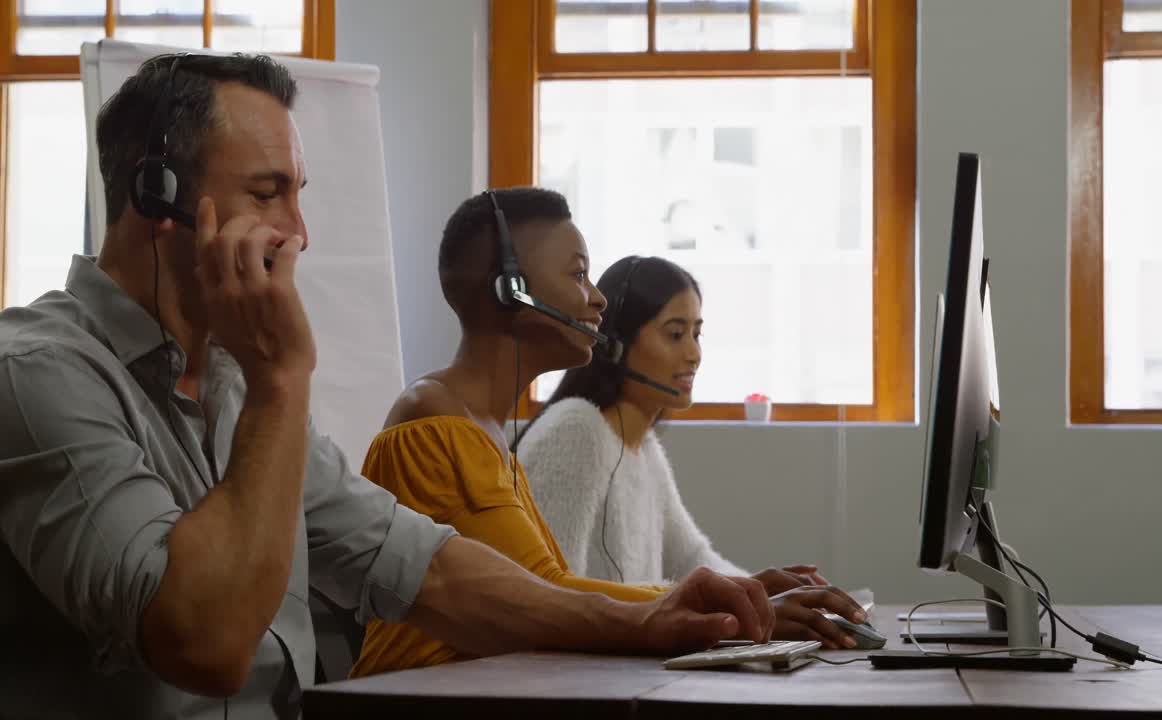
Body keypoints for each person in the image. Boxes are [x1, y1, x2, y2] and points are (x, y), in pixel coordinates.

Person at [0, 54, 772, 720]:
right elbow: (208, 645)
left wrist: (646, 621)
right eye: (267, 194)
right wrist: (280, 382)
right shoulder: (39, 374)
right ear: (156, 197)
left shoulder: (235, 384)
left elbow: (430, 569)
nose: (300, 233)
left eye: (298, 194)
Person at [350, 191, 866, 678]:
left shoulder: (483, 432)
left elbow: (548, 594)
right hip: (420, 705)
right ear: (510, 288)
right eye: (578, 275)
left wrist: (739, 594)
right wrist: (721, 604)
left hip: (479, 695)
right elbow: (544, 596)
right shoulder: (433, 419)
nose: (597, 300)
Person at [516, 255, 871, 649]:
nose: (694, 354)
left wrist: (768, 596)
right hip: (579, 676)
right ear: (614, 343)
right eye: (675, 334)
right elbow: (553, 598)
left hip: (621, 668)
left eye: (696, 334)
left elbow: (694, 561)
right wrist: (743, 609)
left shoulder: (643, 449)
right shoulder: (574, 431)